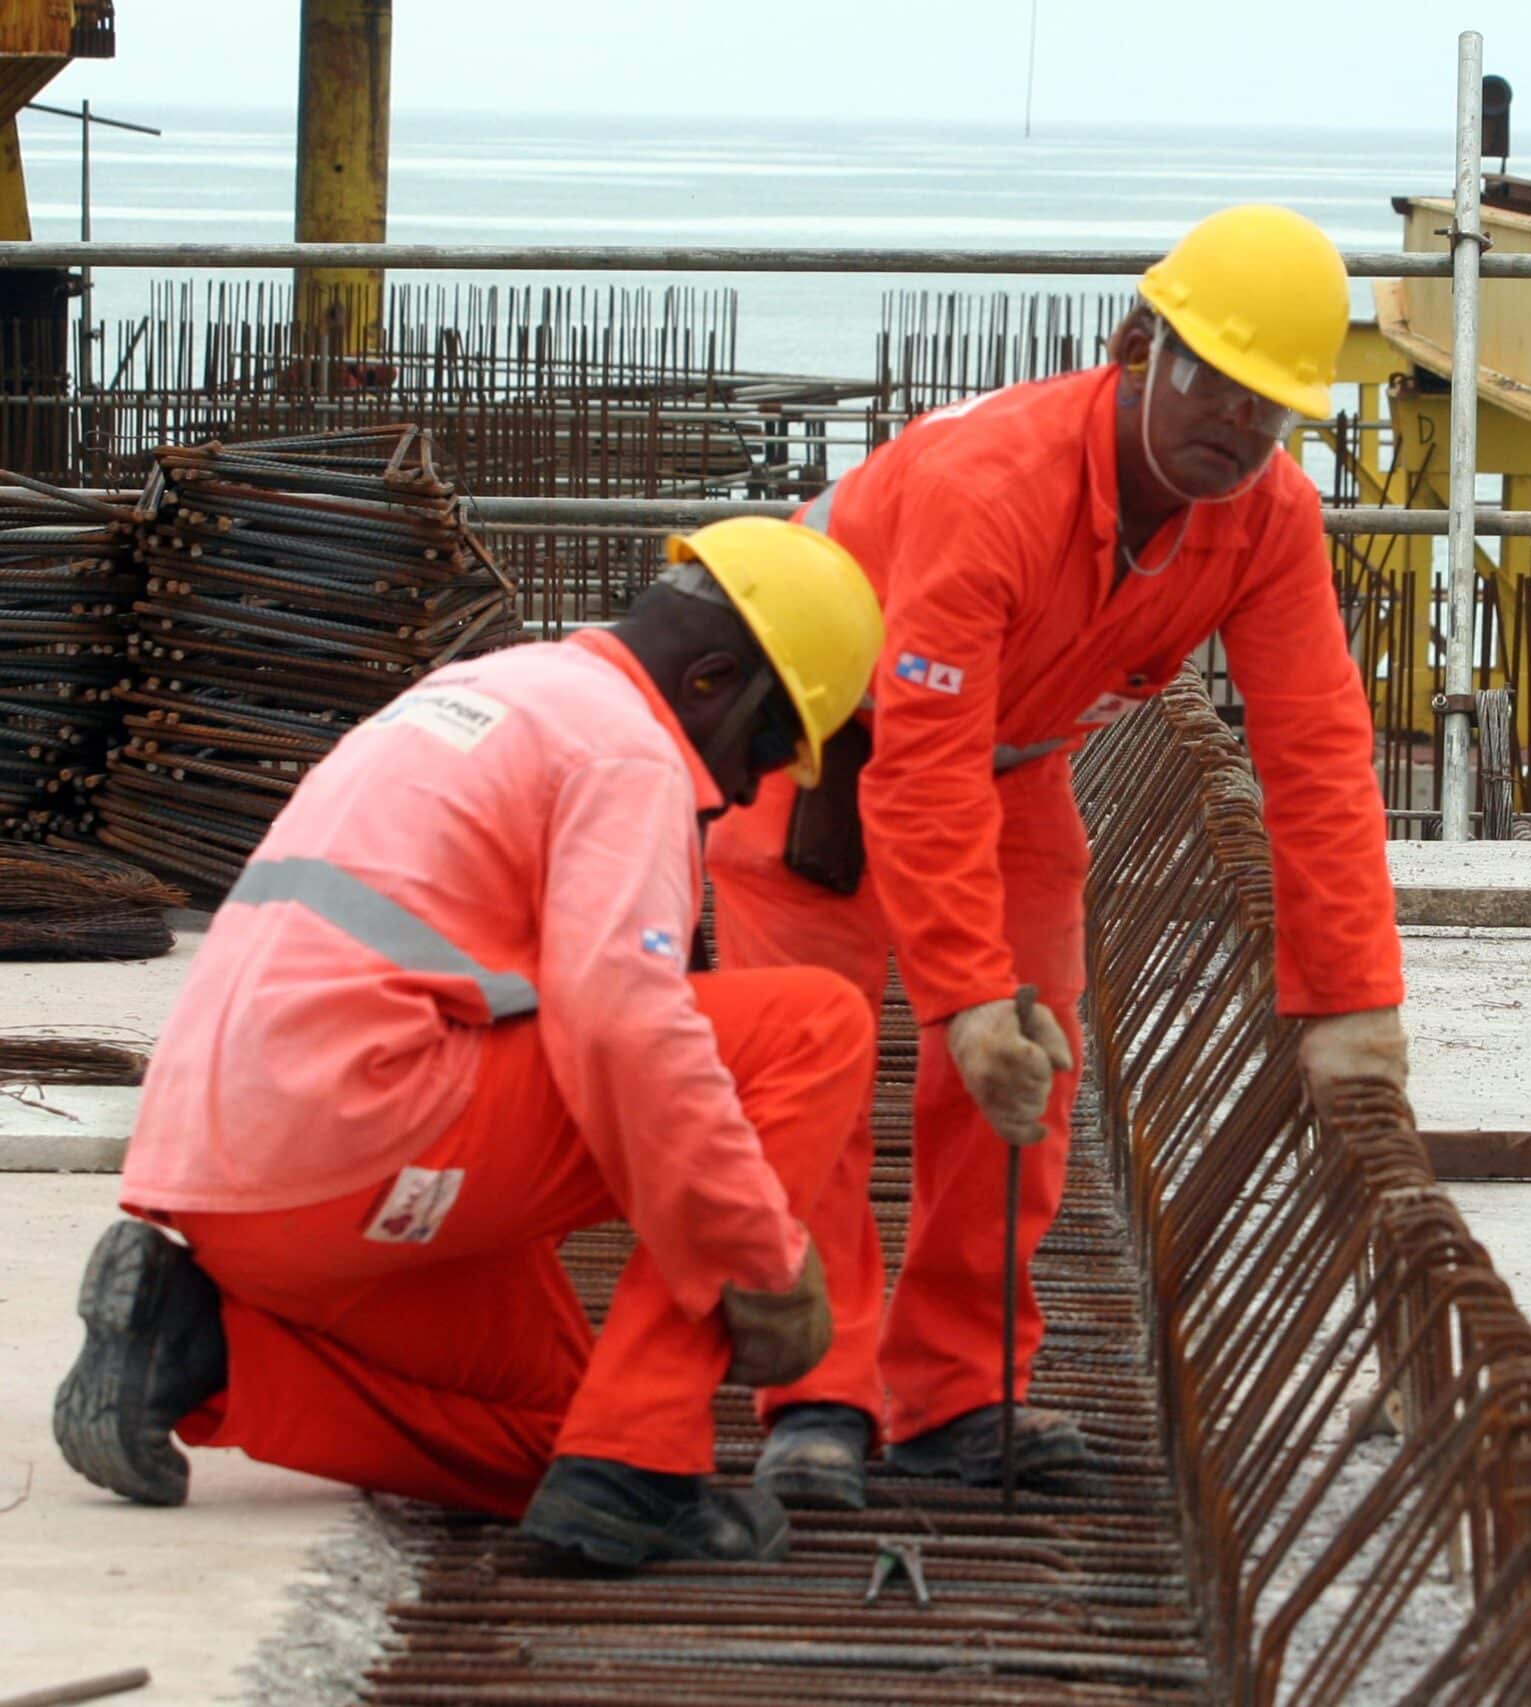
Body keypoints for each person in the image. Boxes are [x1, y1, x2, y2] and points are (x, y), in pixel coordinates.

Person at [707, 204, 1410, 1509]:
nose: (1237, 428)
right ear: (1138, 345)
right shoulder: (997, 485)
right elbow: (912, 765)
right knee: (813, 1071)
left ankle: (960, 1391)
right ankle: (818, 1394)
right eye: (1211, 380)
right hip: (809, 746)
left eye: (1272, 407)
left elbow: (1316, 756)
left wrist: (1352, 1000)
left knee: (1026, 1073)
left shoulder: (1266, 521)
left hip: (1012, 761)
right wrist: (960, 996)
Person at [55, 518, 886, 1569]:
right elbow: (628, 1021)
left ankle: (202, 1347)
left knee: (557, 1435)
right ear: (716, 678)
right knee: (810, 1025)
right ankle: (643, 1460)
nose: (749, 791)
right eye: (768, 752)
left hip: (229, 1186)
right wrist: (756, 1258)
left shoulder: (495, 691)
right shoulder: (624, 746)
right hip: (360, 1142)